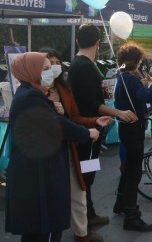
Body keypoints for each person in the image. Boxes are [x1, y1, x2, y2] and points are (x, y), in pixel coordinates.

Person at [5, 52, 99, 242]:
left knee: (37, 229)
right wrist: (87, 133)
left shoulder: (34, 94)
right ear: (31, 71)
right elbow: (57, 126)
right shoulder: (30, 97)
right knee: (45, 227)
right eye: (46, 69)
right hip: (38, 175)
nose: (51, 73)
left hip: (38, 172)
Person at [69, 24, 138, 230]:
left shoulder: (77, 64)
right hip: (88, 130)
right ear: (98, 42)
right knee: (86, 175)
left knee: (87, 173)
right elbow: (91, 104)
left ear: (77, 41)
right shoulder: (86, 67)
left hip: (87, 128)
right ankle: (84, 222)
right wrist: (117, 112)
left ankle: (89, 213)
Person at [41, 48, 111, 242]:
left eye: (56, 63)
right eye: (48, 65)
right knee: (52, 197)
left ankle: (83, 232)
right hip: (49, 152)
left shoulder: (65, 89)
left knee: (80, 190)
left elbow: (75, 118)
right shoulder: (36, 92)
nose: (53, 68)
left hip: (72, 148)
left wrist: (95, 121)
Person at [113, 42, 152, 232]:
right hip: (134, 127)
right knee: (133, 171)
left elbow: (138, 93)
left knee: (129, 169)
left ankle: (121, 203)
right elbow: (148, 96)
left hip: (127, 128)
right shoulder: (130, 79)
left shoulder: (121, 75)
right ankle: (131, 215)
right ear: (136, 60)